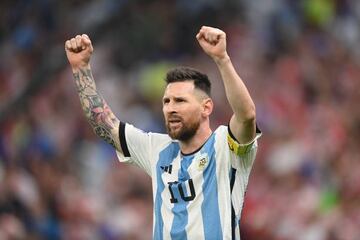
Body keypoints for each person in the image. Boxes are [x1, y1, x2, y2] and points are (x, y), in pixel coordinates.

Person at [65, 26, 261, 240]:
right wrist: (81, 68)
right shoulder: (156, 148)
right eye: (166, 102)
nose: (170, 108)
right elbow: (103, 124)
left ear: (206, 107)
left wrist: (222, 59)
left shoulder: (225, 146)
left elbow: (247, 115)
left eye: (180, 101)